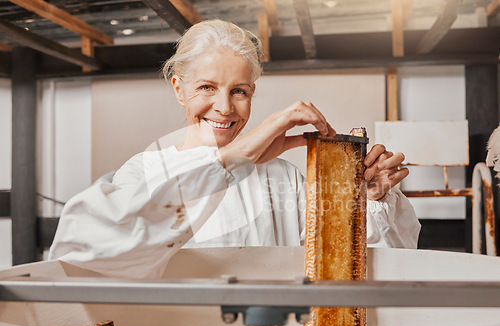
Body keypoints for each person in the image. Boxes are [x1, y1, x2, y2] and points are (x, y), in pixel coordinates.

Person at [48, 20, 420, 278]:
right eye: (207, 87)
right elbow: (81, 255)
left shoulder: (283, 177)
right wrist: (230, 160)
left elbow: (350, 268)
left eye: (239, 91)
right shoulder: (145, 172)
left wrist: (363, 201)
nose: (224, 108)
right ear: (179, 89)